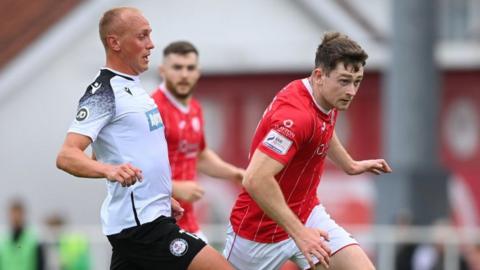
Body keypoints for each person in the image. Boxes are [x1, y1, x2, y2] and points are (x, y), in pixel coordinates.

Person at [56, 7, 232, 270]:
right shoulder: (104, 91)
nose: (151, 44)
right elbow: (67, 155)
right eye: (142, 36)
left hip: (147, 220)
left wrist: (160, 194)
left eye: (150, 35)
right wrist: (109, 170)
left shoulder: (135, 88)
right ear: (115, 42)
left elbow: (109, 150)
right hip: (141, 228)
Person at [223, 32, 393, 270]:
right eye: (344, 81)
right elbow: (255, 179)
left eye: (357, 82)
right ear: (319, 75)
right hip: (257, 234)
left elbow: (322, 127)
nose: (351, 92)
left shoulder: (325, 96)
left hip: (308, 214)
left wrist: (350, 165)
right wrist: (300, 234)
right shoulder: (295, 116)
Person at [151, 41, 245, 242]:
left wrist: (235, 173)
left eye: (190, 68)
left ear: (198, 72)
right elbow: (134, 166)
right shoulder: (152, 109)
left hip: (188, 221)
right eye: (177, 67)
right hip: (155, 221)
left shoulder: (194, 108)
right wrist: (174, 188)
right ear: (162, 70)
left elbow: (200, 155)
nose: (184, 74)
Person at [0, 199, 44, 270]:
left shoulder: (34, 241)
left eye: (19, 214)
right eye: (13, 213)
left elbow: (40, 265)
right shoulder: (2, 241)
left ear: (24, 215)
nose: (16, 217)